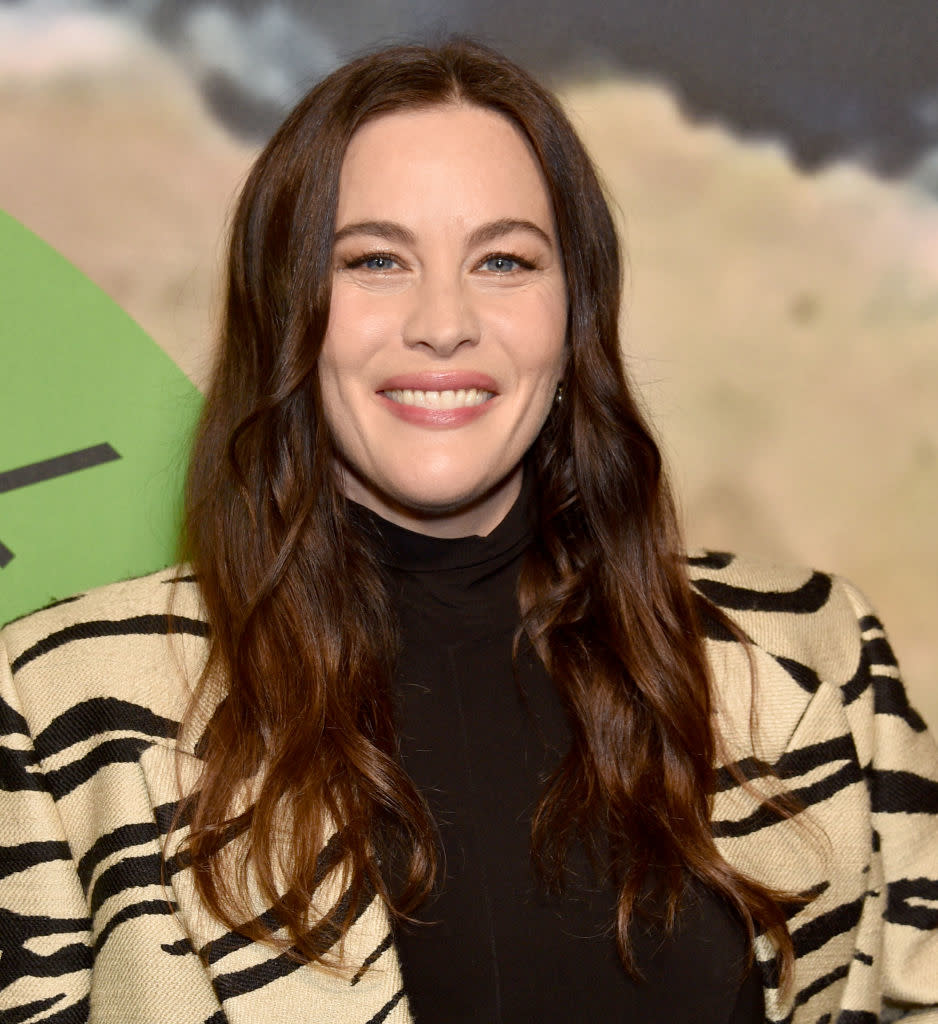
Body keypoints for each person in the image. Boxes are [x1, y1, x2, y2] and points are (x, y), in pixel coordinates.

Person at [1, 38, 936, 1024]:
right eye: (372, 259)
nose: (442, 321)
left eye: (501, 259)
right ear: (287, 316)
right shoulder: (70, 706)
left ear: (571, 315)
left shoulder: (810, 663)